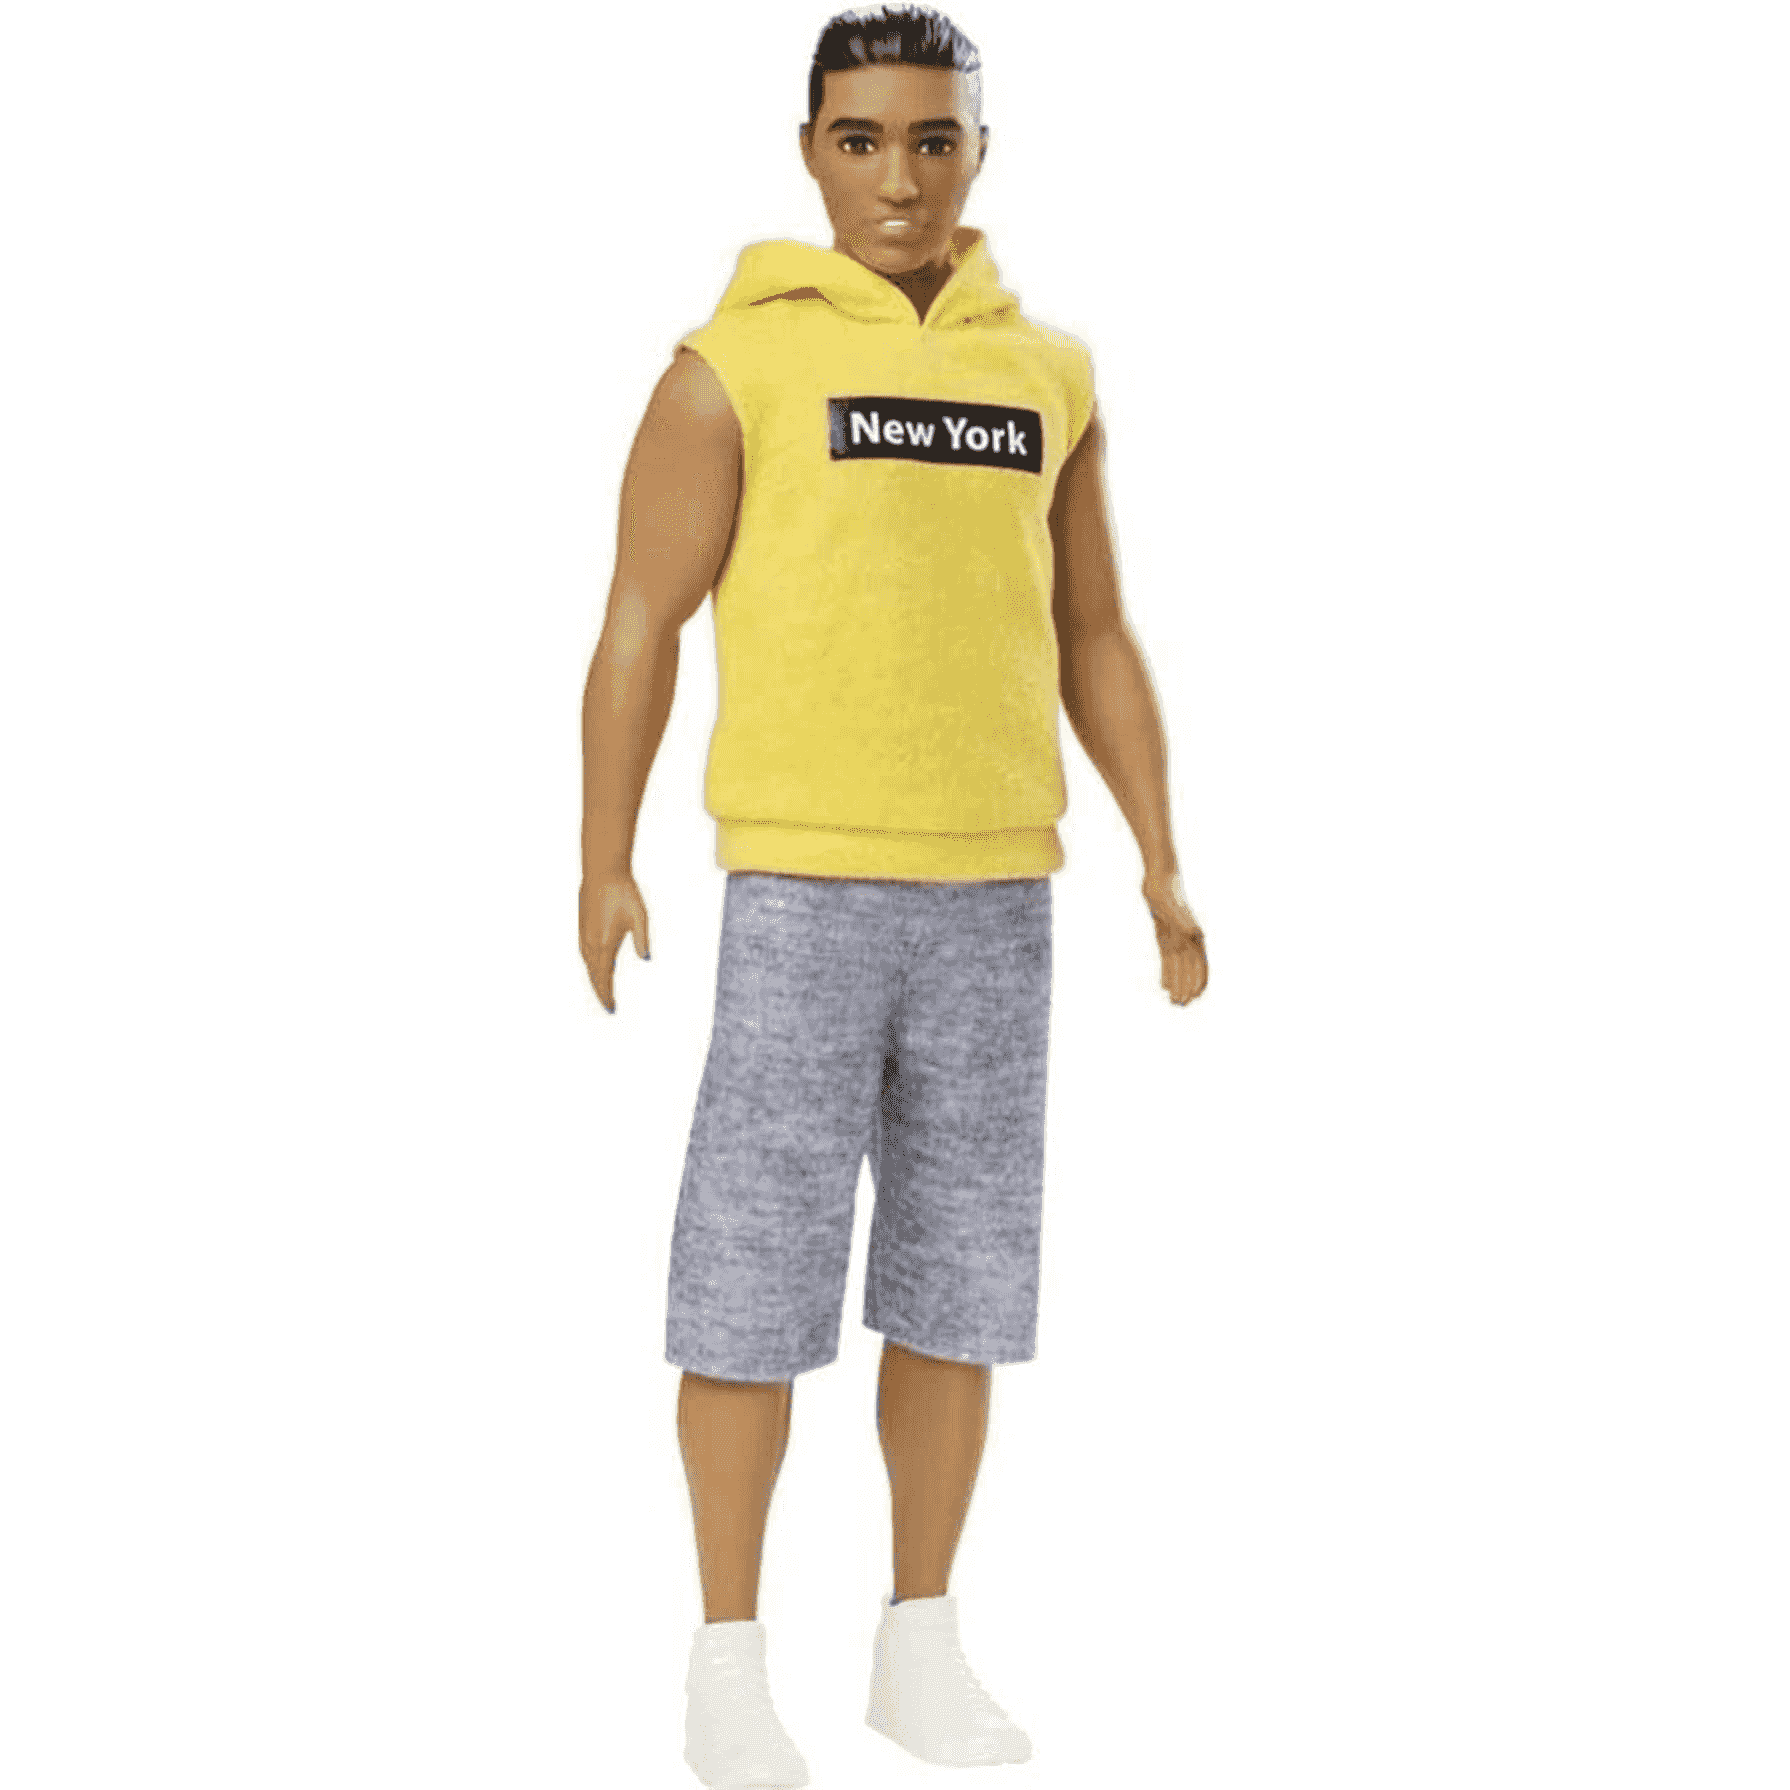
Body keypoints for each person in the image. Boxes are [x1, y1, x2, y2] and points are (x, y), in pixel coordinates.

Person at [579, 8, 1207, 1784]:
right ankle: (723, 1659)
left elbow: (1094, 629)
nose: (898, 177)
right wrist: (601, 851)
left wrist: (1158, 852)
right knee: (749, 1272)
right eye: (860, 139)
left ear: (978, 152)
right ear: (809, 151)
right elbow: (638, 616)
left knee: (959, 1274)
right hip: (801, 885)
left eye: (933, 138)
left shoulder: (1048, 375)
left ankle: (916, 1638)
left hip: (996, 892)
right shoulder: (733, 366)